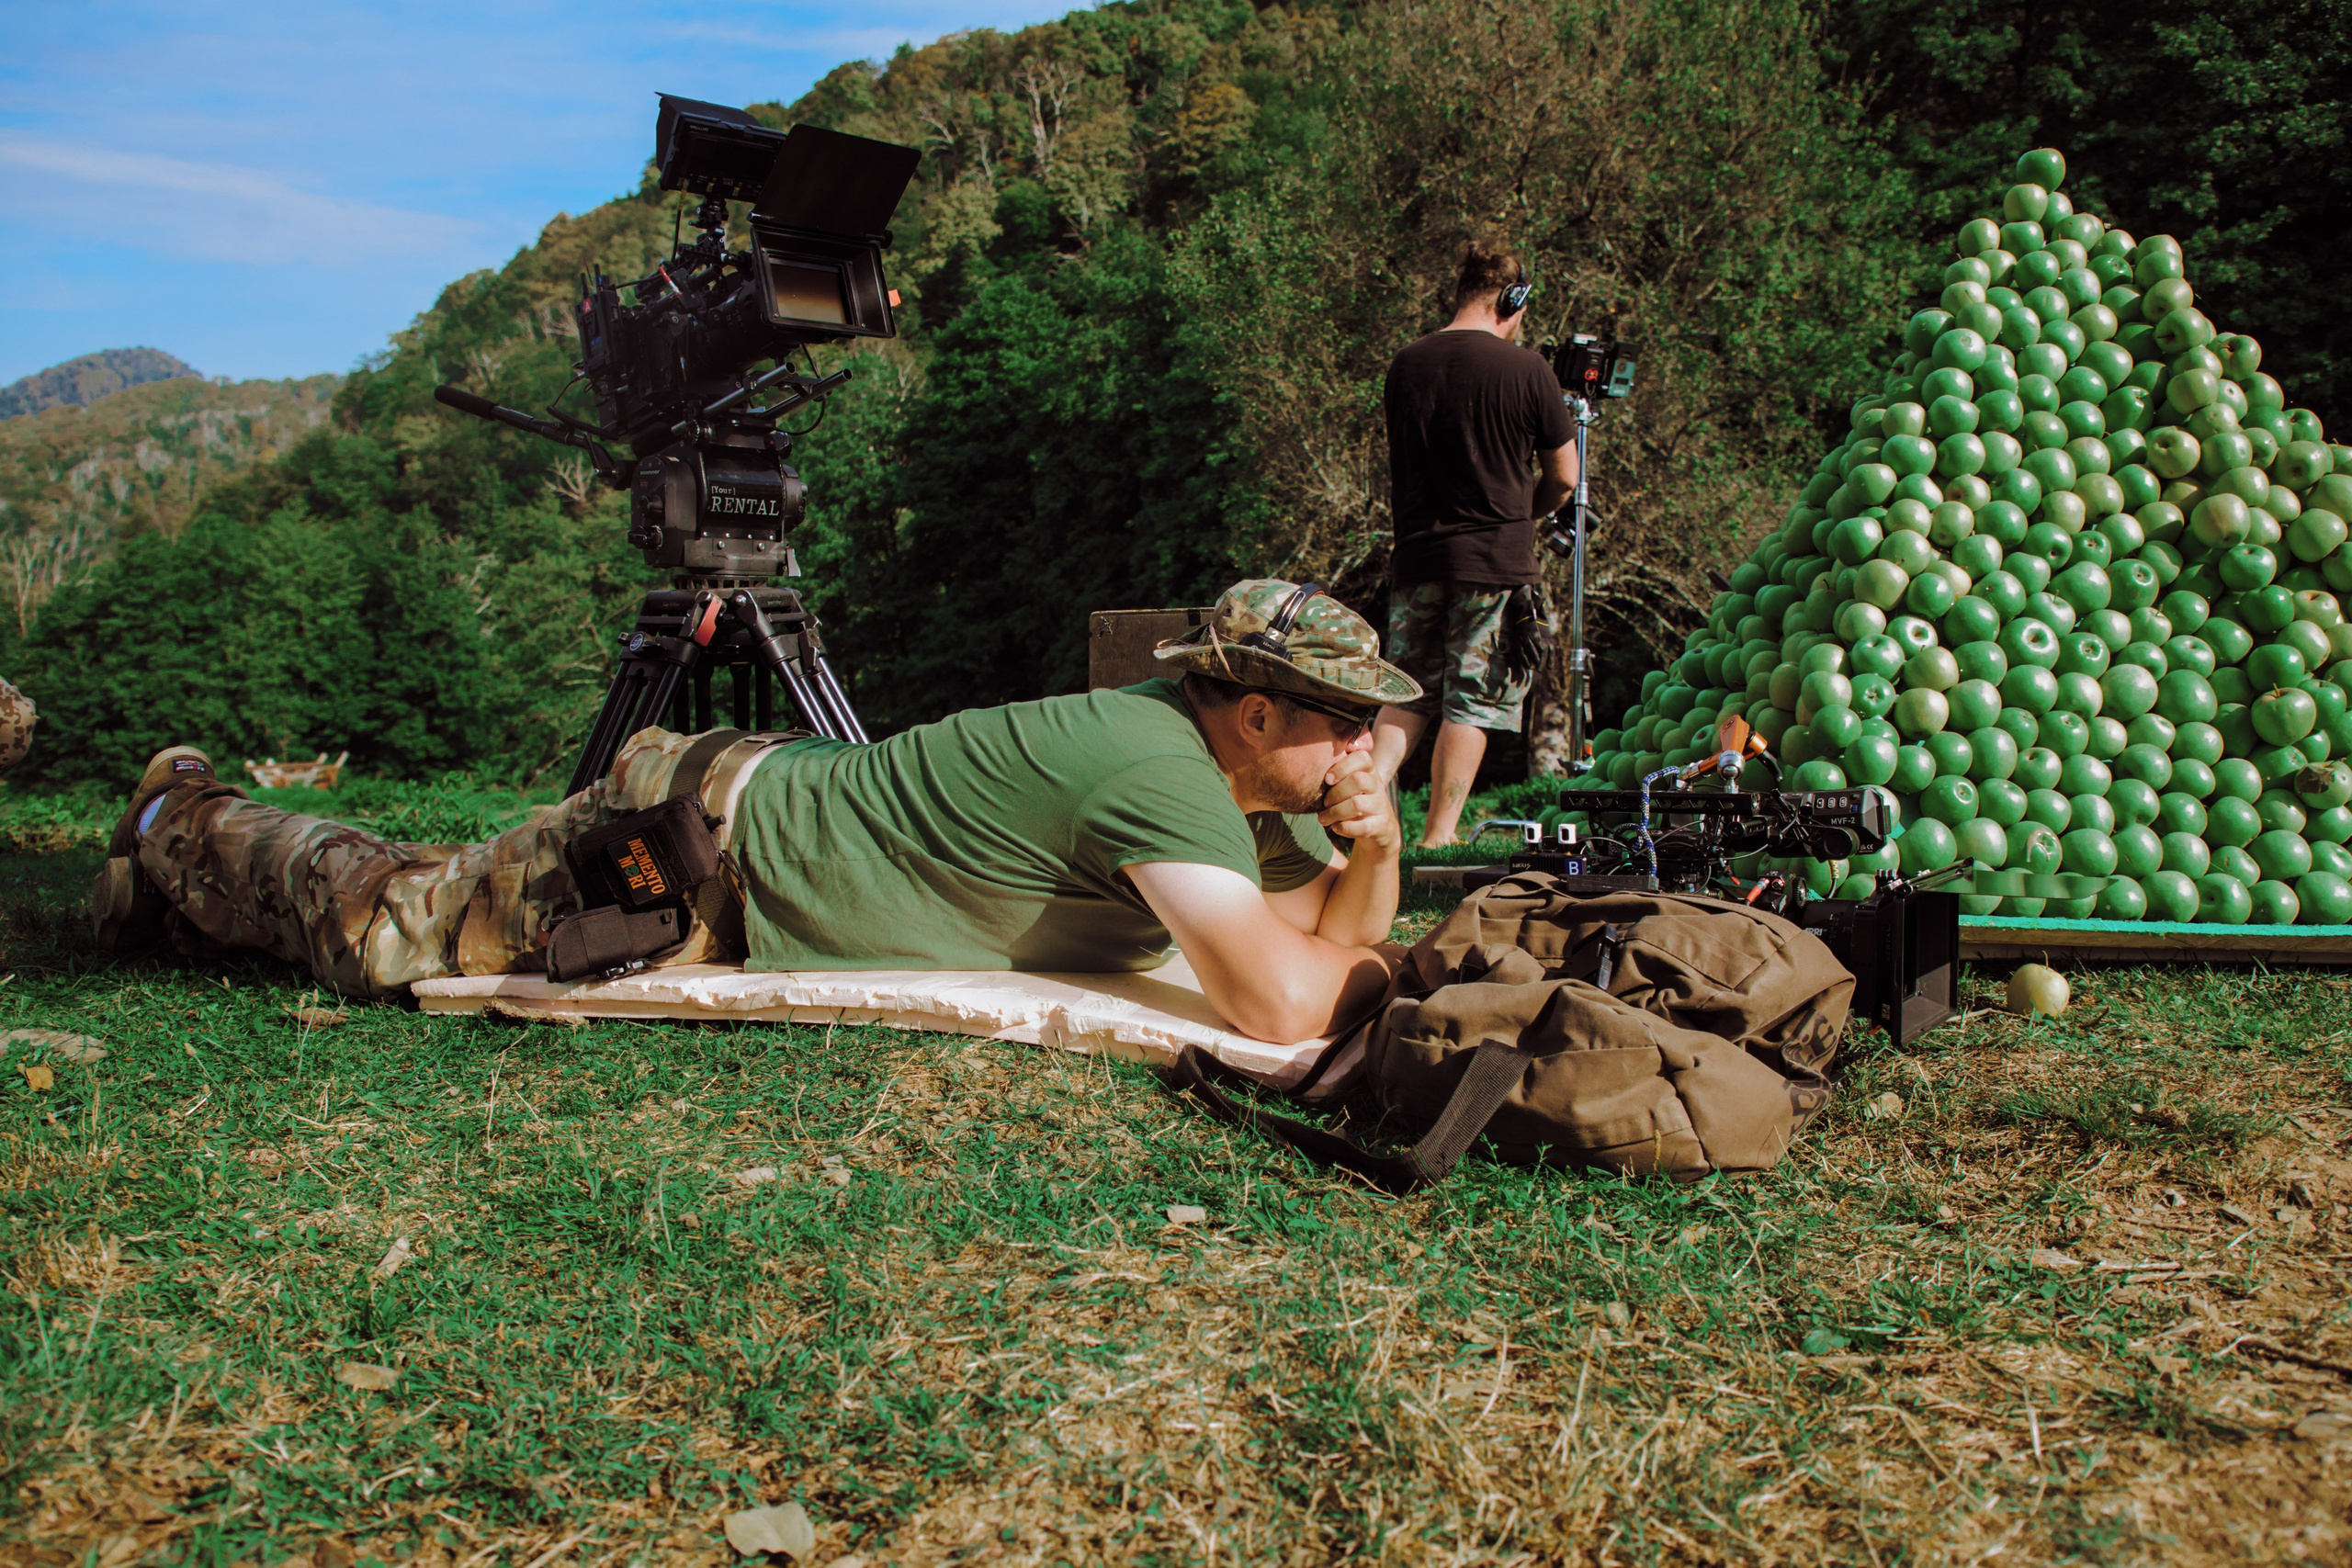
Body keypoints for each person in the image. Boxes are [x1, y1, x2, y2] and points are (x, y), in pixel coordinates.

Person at [89, 580, 1421, 1045]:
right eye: (1342, 720)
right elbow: (1281, 999)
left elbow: (1324, 927)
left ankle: (192, 863)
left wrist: (1377, 838)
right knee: (383, 927)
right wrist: (1375, 964)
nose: (1361, 744)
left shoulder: (1230, 775)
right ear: (1254, 712)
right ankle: (178, 812)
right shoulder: (1158, 769)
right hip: (701, 848)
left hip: (743, 819)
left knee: (447, 883)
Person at [1371, 239, 1577, 846]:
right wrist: (1524, 514)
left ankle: (1360, 804)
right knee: (1473, 700)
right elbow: (1565, 477)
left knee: (1408, 691)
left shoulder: (1406, 364)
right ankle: (1438, 835)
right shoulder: (1528, 369)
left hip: (1417, 556)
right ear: (1513, 301)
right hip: (1493, 561)